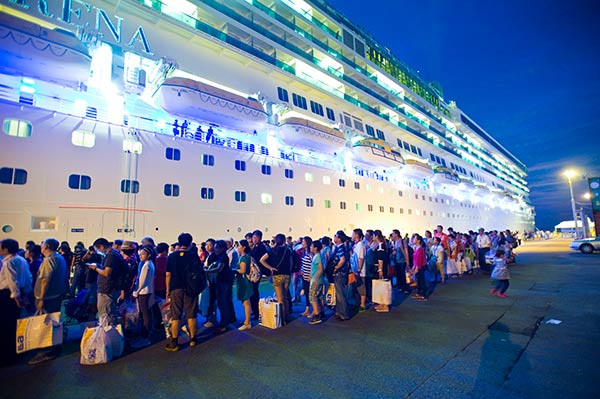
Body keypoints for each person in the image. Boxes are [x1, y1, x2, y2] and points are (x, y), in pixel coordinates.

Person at [28, 238, 69, 365]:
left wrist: (40, 298)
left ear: (47, 246)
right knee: (54, 322)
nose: (40, 245)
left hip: (48, 297)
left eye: (42, 243)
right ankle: (55, 347)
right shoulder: (59, 258)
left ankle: (46, 351)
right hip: (57, 295)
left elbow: (45, 280)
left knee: (45, 324)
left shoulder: (49, 260)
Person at [165, 233, 200, 351]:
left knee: (176, 315)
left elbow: (168, 274)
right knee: (191, 314)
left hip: (175, 288)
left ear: (179, 243)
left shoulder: (172, 256)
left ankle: (174, 342)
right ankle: (193, 339)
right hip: (190, 288)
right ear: (190, 242)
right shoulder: (193, 256)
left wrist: (168, 289)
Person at [0, 239, 32, 367]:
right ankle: (16, 351)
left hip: (8, 296)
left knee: (5, 326)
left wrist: (17, 298)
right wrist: (25, 295)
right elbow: (29, 277)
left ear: (6, 249)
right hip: (21, 293)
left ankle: (7, 355)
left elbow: (12, 282)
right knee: (14, 324)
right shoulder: (22, 260)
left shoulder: (8, 262)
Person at [91, 238, 126, 326]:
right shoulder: (115, 254)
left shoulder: (111, 255)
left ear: (102, 247)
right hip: (111, 288)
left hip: (107, 289)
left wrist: (96, 268)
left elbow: (106, 273)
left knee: (106, 314)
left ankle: (109, 335)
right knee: (109, 313)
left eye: (98, 249)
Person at [260, 233, 292, 324]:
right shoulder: (288, 250)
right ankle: (286, 317)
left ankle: (281, 319)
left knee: (279, 298)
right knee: (285, 296)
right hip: (286, 275)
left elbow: (262, 260)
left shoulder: (272, 250)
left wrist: (270, 267)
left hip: (277, 275)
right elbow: (291, 263)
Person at [131, 245, 155, 348]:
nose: (141, 256)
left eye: (143, 254)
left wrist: (136, 291)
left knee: (144, 314)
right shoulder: (150, 264)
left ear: (149, 255)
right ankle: (147, 334)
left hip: (143, 293)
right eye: (140, 254)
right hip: (147, 291)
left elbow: (142, 281)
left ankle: (145, 336)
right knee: (147, 313)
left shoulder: (146, 266)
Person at [212, 240, 236, 334]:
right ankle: (230, 319)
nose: (215, 249)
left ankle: (224, 324)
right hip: (224, 281)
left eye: (216, 247)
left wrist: (206, 271)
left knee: (222, 303)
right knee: (227, 301)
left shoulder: (223, 257)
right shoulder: (221, 256)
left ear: (222, 248)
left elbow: (219, 268)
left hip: (223, 282)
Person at [330, 231, 350, 321]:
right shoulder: (340, 247)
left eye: (335, 236)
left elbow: (342, 259)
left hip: (340, 274)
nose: (334, 238)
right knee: (338, 294)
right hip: (339, 273)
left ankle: (344, 314)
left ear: (339, 238)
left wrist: (335, 268)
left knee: (340, 294)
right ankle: (339, 312)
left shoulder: (341, 248)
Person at [250, 230, 268, 320]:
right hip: (253, 272)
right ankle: (254, 310)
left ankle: (256, 312)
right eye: (253, 237)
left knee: (254, 292)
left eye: (256, 237)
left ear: (260, 238)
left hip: (257, 272)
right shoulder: (255, 247)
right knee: (253, 292)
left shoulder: (261, 248)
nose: (254, 239)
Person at [235, 239, 253, 330]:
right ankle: (247, 320)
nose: (238, 248)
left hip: (244, 282)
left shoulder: (243, 258)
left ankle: (247, 322)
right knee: (246, 302)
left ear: (243, 247)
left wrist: (234, 270)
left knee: (246, 302)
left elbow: (242, 270)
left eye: (239, 246)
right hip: (244, 281)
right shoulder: (246, 256)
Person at [373, 230, 390, 312]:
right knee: (381, 286)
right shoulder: (382, 245)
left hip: (382, 268)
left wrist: (380, 269)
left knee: (383, 286)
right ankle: (382, 303)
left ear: (376, 236)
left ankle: (385, 305)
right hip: (383, 267)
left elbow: (380, 259)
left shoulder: (381, 246)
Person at [308, 240, 325, 325]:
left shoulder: (317, 256)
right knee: (318, 297)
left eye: (312, 246)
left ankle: (316, 315)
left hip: (316, 281)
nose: (310, 247)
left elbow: (321, 269)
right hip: (318, 280)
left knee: (313, 297)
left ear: (316, 248)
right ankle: (321, 312)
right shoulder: (317, 256)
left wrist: (314, 279)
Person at [350, 229, 367, 312]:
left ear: (356, 235)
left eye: (352, 234)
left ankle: (363, 305)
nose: (351, 236)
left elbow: (361, 258)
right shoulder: (357, 245)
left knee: (361, 287)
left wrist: (359, 269)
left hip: (359, 271)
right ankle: (359, 303)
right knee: (357, 287)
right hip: (356, 270)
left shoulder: (360, 245)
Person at [411, 234, 428, 301]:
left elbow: (419, 259)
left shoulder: (420, 249)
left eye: (414, 238)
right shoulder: (416, 248)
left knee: (421, 280)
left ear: (418, 241)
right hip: (418, 266)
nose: (413, 240)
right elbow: (415, 259)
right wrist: (414, 266)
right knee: (418, 280)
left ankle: (424, 295)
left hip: (421, 266)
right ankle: (419, 293)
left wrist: (417, 267)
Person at [299, 236, 313, 316]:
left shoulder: (310, 254)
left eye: (303, 242)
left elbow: (313, 265)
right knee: (307, 293)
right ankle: (307, 309)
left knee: (312, 294)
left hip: (309, 277)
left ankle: (316, 311)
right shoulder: (305, 252)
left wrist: (310, 276)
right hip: (304, 276)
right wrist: (302, 270)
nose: (302, 243)